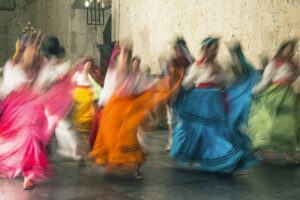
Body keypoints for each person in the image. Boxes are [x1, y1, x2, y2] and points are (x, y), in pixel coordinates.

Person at [90, 43, 183, 179]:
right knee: (111, 139)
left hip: (129, 111)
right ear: (119, 57)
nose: (126, 57)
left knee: (131, 139)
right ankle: (110, 164)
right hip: (114, 111)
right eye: (124, 54)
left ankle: (135, 167)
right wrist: (101, 106)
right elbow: (107, 92)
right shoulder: (113, 73)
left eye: (129, 54)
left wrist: (164, 84)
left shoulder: (134, 75)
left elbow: (147, 86)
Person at [170, 37, 258, 173]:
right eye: (213, 48)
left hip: (215, 100)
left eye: (216, 49)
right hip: (199, 100)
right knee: (198, 130)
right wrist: (177, 90)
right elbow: (188, 82)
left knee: (215, 131)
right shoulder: (198, 65)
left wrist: (236, 58)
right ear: (206, 49)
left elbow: (228, 81)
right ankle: (197, 157)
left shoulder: (218, 66)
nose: (215, 51)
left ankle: (219, 157)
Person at [0, 32, 51, 190]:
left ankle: (28, 176)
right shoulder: (12, 65)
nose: (34, 50)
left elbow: (44, 85)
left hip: (33, 108)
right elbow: (6, 89)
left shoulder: (41, 65)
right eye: (31, 47)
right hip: (15, 108)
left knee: (31, 137)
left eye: (36, 47)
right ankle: (21, 168)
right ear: (23, 48)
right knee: (15, 142)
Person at [248, 39, 300, 164]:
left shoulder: (294, 64)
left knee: (292, 123)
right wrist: (254, 91)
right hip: (274, 94)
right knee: (270, 122)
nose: (291, 51)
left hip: (288, 95)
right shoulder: (274, 64)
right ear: (282, 49)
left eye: (292, 49)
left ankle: (290, 154)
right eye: (288, 48)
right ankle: (259, 148)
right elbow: (265, 81)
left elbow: (294, 76)